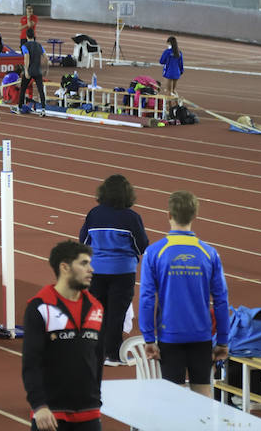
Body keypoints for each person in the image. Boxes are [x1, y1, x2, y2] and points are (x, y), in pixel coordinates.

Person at [139, 191, 229, 397]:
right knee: (203, 392)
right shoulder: (209, 253)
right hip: (201, 335)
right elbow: (221, 300)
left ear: (168, 214)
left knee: (174, 398)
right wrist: (223, 340)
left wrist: (148, 337)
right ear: (195, 215)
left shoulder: (154, 252)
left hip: (170, 334)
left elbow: (146, 298)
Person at [22, 241, 104, 431]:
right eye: (83, 263)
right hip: (51, 413)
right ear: (65, 267)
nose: (91, 269)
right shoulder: (40, 307)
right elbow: (31, 362)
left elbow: (98, 357)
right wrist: (39, 406)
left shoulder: (96, 307)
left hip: (89, 411)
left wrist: (96, 397)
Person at [78, 175, 149, 366]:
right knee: (116, 314)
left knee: (97, 312)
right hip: (123, 272)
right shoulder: (132, 217)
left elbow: (83, 241)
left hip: (97, 271)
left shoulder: (94, 214)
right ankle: (114, 354)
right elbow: (141, 244)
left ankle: (95, 352)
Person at [18, 28, 48, 112]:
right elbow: (45, 57)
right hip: (38, 70)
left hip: (30, 70)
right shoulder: (39, 45)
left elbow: (26, 58)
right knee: (40, 90)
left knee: (23, 89)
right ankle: (43, 108)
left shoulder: (25, 46)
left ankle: (20, 107)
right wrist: (46, 69)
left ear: (26, 36)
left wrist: (26, 70)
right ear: (34, 36)